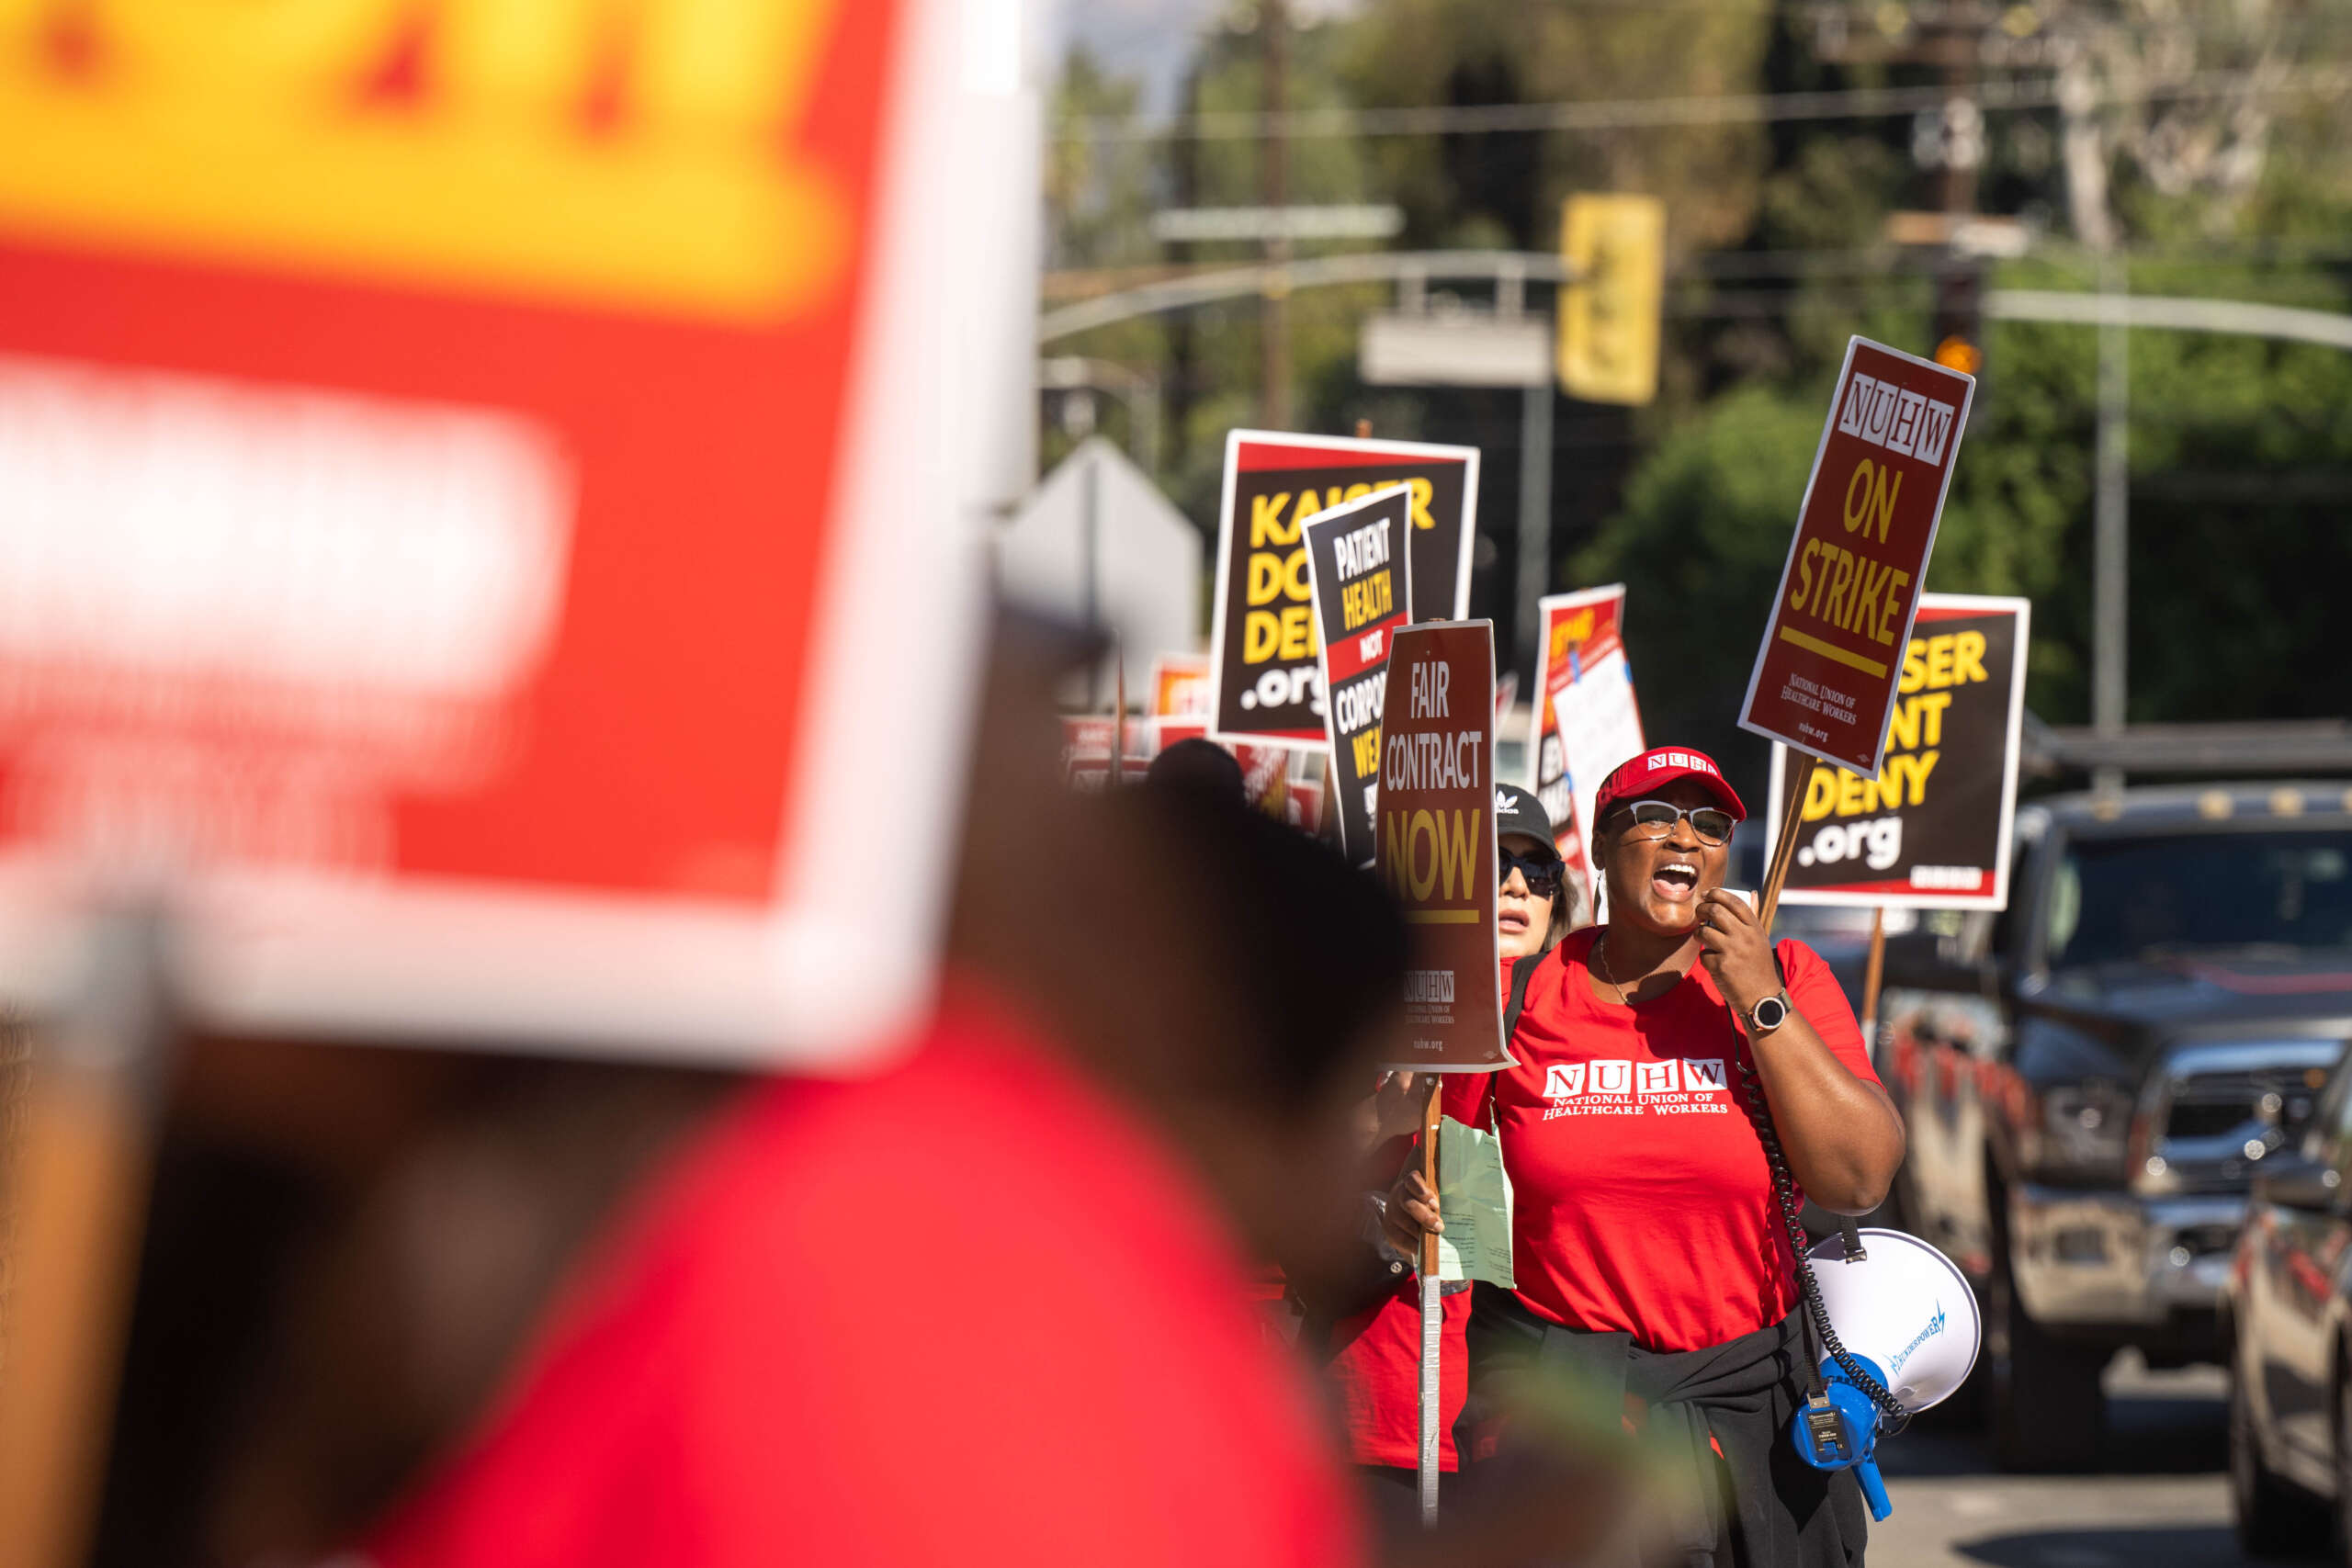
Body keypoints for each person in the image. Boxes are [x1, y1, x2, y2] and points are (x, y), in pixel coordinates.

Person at [1385, 748, 1905, 1568]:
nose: (1685, 839)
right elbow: (1440, 1191)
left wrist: (1760, 1002)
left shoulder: (1788, 977)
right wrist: (1413, 1210)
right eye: (1655, 816)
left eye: (1708, 823)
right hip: (1568, 1425)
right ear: (1601, 841)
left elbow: (1860, 1176)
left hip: (1751, 1423)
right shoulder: (1517, 995)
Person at [1317, 784, 1577, 1536]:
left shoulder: (1581, 1031)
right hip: (1390, 1421)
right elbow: (1273, 1187)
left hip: (1521, 1426)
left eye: (1539, 870)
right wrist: (1385, 1116)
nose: (1515, 884)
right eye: (1491, 862)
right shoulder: (1374, 1014)